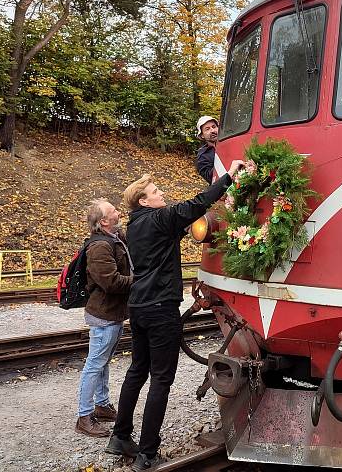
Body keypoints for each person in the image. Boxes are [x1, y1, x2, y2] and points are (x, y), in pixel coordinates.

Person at [106, 159, 243, 471]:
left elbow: (174, 233)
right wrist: (228, 179)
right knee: (162, 379)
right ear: (143, 200)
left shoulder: (136, 225)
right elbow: (195, 205)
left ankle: (120, 436)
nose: (161, 193)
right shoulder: (158, 218)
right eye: (156, 191)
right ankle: (147, 454)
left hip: (139, 307)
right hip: (160, 308)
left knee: (137, 371)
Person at [76, 198, 134, 438]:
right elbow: (110, 282)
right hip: (104, 315)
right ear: (104, 221)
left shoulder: (115, 237)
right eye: (113, 211)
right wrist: (139, 282)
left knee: (102, 362)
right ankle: (84, 415)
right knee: (94, 364)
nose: (118, 211)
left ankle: (102, 404)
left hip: (112, 313)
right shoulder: (99, 246)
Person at [194, 115, 219, 184]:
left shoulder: (230, 143)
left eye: (214, 127)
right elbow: (210, 178)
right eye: (207, 129)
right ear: (202, 135)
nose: (212, 131)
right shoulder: (202, 156)